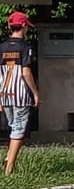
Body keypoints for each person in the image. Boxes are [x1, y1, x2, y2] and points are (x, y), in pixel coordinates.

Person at [1, 11, 41, 175]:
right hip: (21, 94)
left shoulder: (2, 47)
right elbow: (26, 72)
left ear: (9, 26)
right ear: (24, 26)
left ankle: (8, 157)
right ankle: (9, 168)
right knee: (19, 130)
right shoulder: (25, 47)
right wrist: (35, 93)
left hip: (5, 93)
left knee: (13, 127)